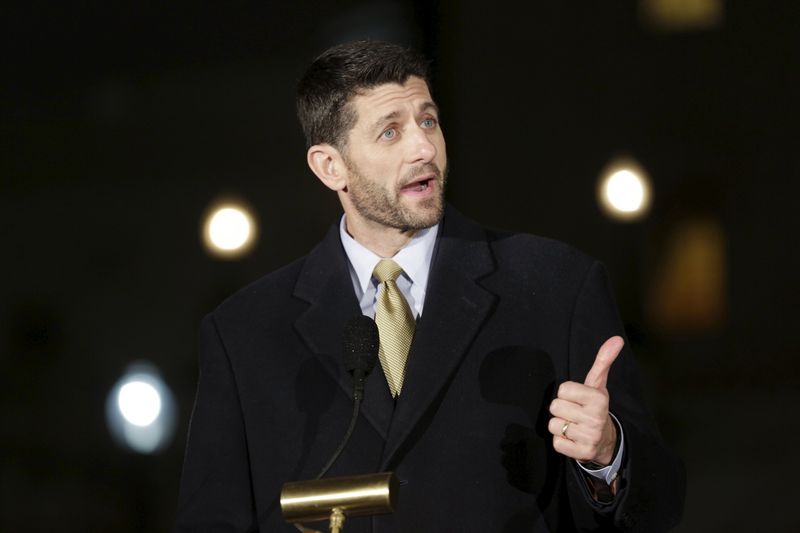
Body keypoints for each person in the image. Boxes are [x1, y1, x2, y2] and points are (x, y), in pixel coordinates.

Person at [175, 40, 685, 532]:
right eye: (390, 132)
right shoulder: (244, 333)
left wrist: (608, 455)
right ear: (330, 166)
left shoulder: (556, 284)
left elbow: (659, 507)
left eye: (428, 120)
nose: (424, 147)